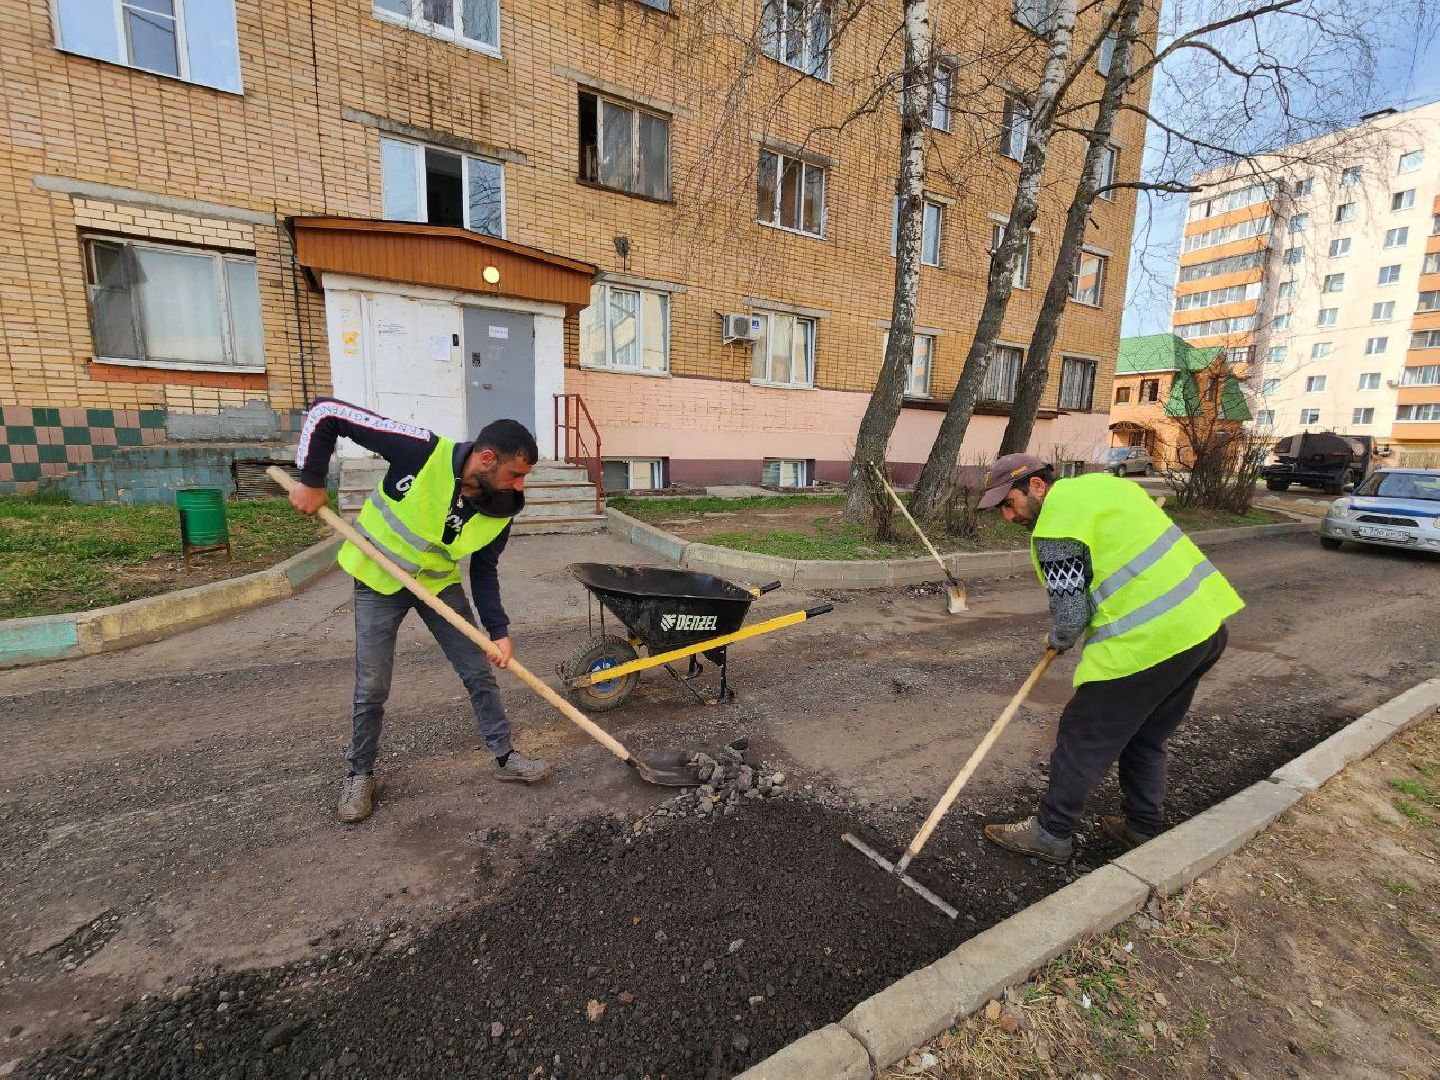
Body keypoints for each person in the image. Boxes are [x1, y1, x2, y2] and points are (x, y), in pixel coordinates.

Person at [288, 398, 552, 824]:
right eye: (515, 474)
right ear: (487, 458)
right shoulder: (421, 450)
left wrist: (498, 631)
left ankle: (505, 757)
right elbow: (326, 413)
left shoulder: (501, 509)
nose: (519, 485)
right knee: (372, 685)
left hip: (435, 584)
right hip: (377, 579)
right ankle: (359, 774)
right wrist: (312, 478)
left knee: (479, 671)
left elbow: (484, 572)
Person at [974, 454, 1243, 864]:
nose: (1008, 517)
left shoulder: (1056, 528)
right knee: (1146, 734)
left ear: (1037, 487)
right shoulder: (1104, 487)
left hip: (1147, 644)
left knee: (1083, 734)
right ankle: (1141, 826)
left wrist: (1058, 639)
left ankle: (1052, 832)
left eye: (1009, 503)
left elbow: (1071, 616)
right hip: (1202, 628)